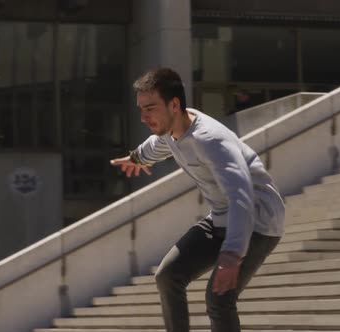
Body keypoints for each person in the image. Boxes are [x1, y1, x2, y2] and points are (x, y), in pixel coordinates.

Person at [110, 68, 285, 332]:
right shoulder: (173, 129)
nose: (144, 117)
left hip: (258, 221)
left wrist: (232, 254)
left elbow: (241, 195)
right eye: (141, 109)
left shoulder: (210, 140)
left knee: (219, 298)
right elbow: (158, 144)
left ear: (174, 104)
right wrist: (137, 158)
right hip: (220, 217)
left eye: (150, 108)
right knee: (168, 275)